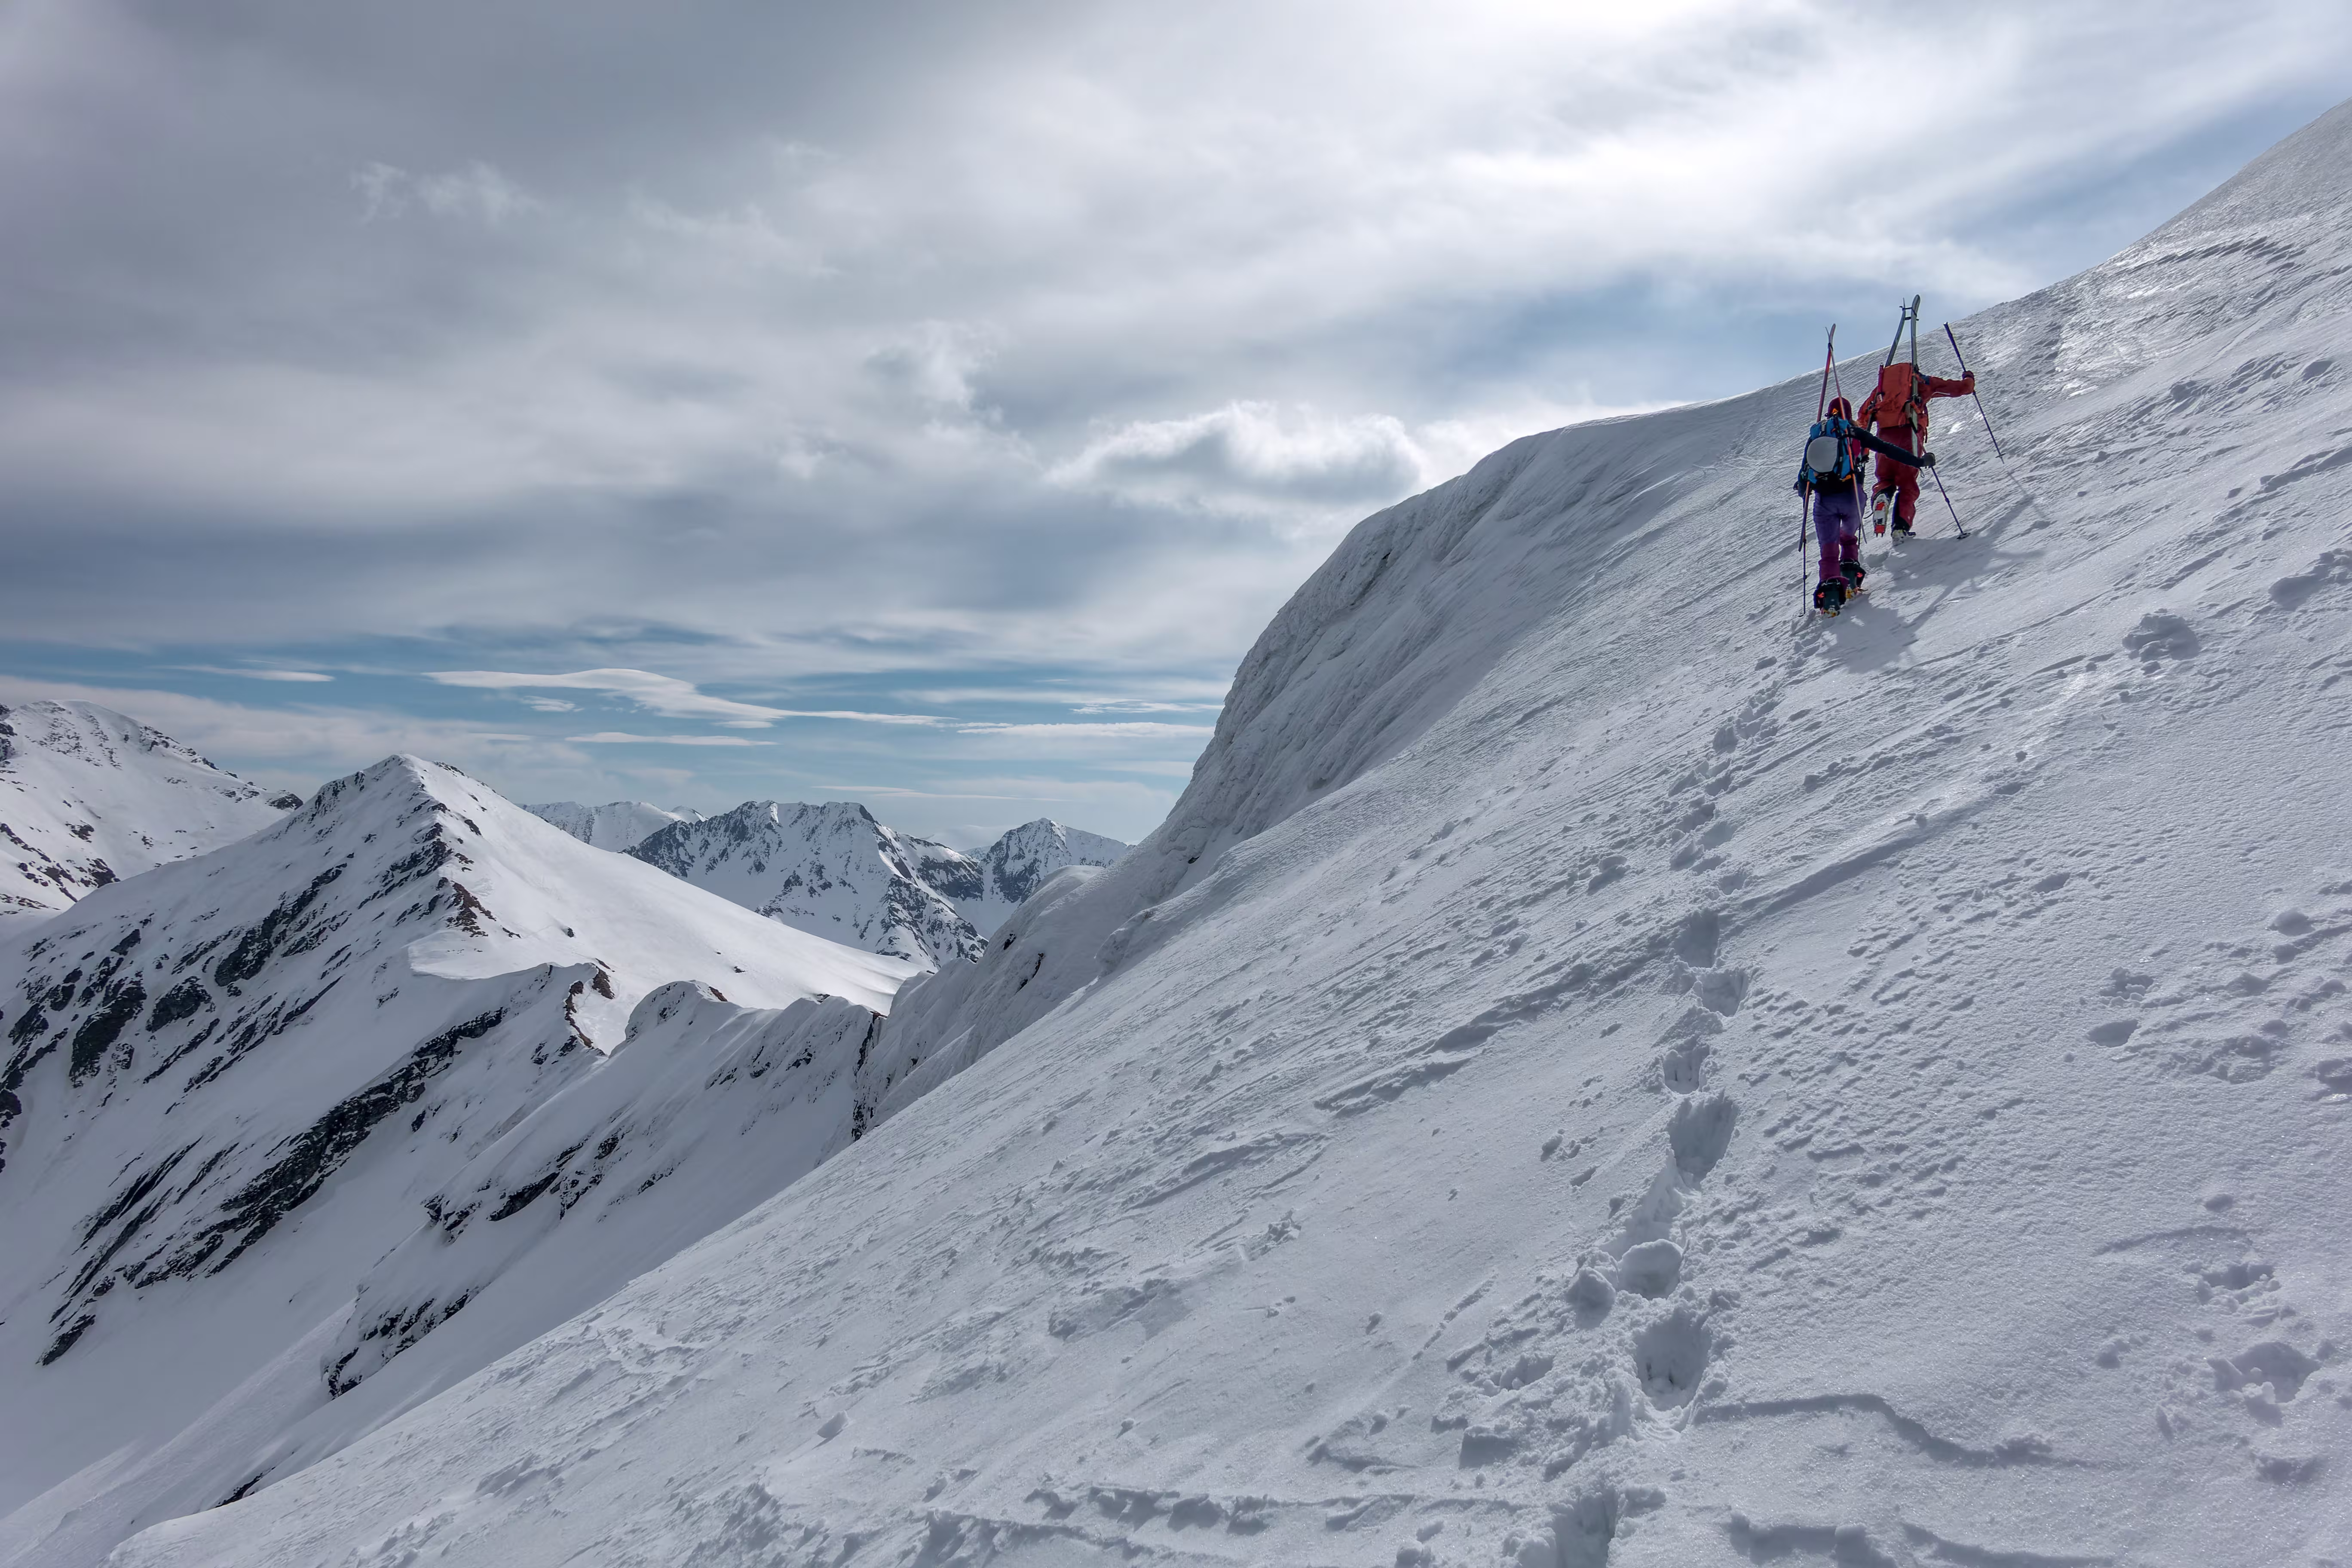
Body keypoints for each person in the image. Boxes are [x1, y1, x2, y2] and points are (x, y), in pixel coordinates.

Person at [1795, 395, 1934, 612]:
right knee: (1848, 537)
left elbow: (1804, 473)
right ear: (1849, 415)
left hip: (1823, 502)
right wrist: (1919, 461)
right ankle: (1850, 578)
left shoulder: (1816, 435)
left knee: (1829, 550)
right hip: (1852, 498)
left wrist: (1804, 492)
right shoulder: (1855, 432)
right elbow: (1887, 449)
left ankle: (1831, 598)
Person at [1855, 359, 1973, 537]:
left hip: (1884, 439)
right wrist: (1969, 378)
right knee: (1907, 484)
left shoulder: (1882, 390)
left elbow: (1863, 416)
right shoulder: (1923, 383)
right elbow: (1961, 388)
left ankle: (1882, 497)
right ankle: (1900, 528)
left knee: (1886, 478)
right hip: (1909, 436)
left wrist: (1863, 449)